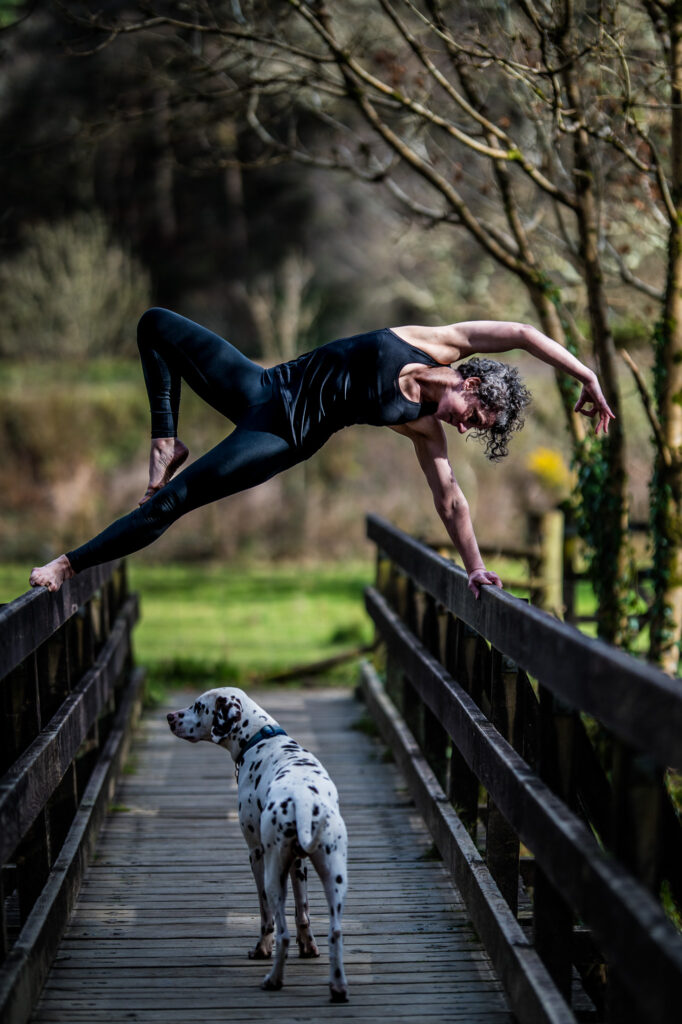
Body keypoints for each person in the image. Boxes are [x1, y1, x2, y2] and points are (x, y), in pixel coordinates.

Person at [29, 308, 614, 597]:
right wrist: (584, 374)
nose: (465, 430)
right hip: (263, 386)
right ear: (471, 384)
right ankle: (166, 439)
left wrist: (474, 567)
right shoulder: (440, 343)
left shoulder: (422, 427)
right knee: (155, 324)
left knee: (171, 503)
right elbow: (521, 334)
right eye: (475, 418)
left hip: (282, 437)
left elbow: (452, 500)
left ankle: (67, 564)